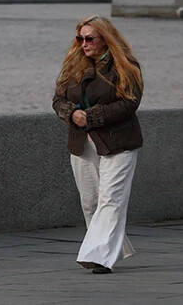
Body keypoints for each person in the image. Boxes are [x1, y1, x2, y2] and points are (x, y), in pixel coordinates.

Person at [52, 15, 143, 274]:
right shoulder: (73, 65)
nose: (84, 43)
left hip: (119, 143)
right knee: (91, 203)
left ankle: (100, 256)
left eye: (89, 38)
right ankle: (113, 246)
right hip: (83, 145)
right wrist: (71, 113)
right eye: (80, 38)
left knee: (110, 200)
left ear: (105, 39)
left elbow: (129, 103)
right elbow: (58, 99)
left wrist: (90, 117)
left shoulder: (126, 65)